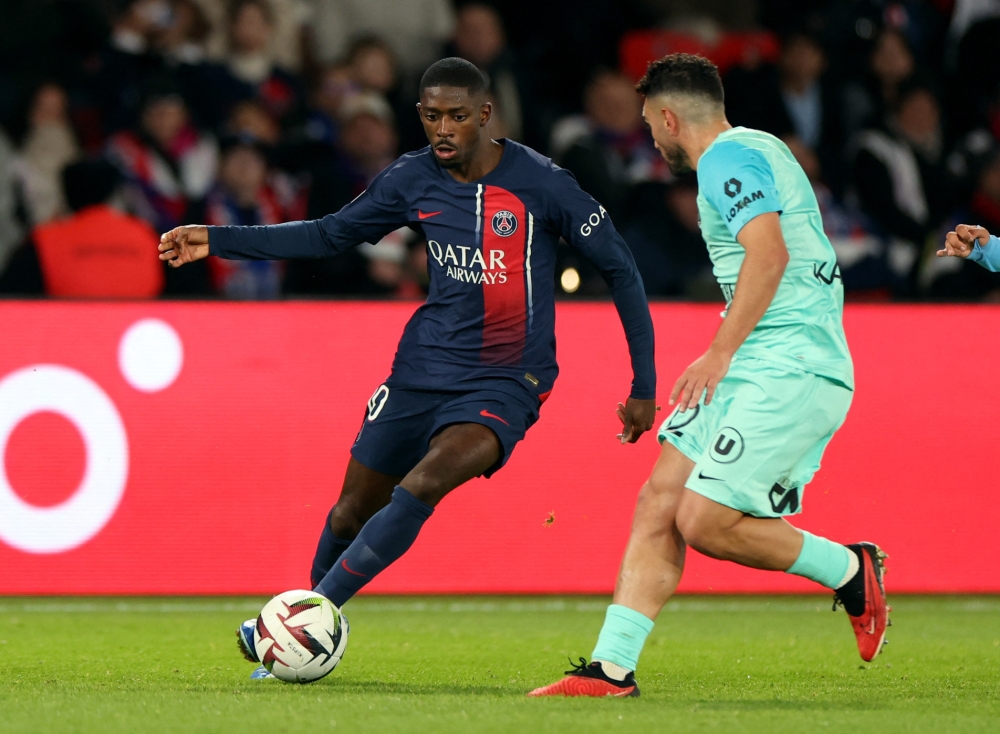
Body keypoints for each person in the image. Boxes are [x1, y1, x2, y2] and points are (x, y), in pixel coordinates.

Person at [158, 57, 658, 678]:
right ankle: (303, 639)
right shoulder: (411, 178)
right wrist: (219, 236)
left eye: (455, 116)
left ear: (484, 115)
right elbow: (328, 235)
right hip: (420, 371)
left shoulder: (543, 183)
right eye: (430, 116)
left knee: (423, 484)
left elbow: (621, 268)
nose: (442, 128)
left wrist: (644, 383)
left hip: (508, 379)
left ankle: (294, 625)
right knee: (349, 511)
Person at [530, 54, 888, 699]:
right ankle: (611, 669)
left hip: (790, 363)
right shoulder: (757, 149)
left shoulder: (724, 159)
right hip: (758, 356)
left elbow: (769, 255)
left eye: (649, 124)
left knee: (704, 522)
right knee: (659, 500)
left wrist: (718, 352)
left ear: (669, 117)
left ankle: (847, 568)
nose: (652, 138)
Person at [33, 159, 164, 298]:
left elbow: (11, 297)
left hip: (68, 318)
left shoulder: (45, 240)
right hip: (141, 318)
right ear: (112, 192)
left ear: (66, 194)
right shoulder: (146, 234)